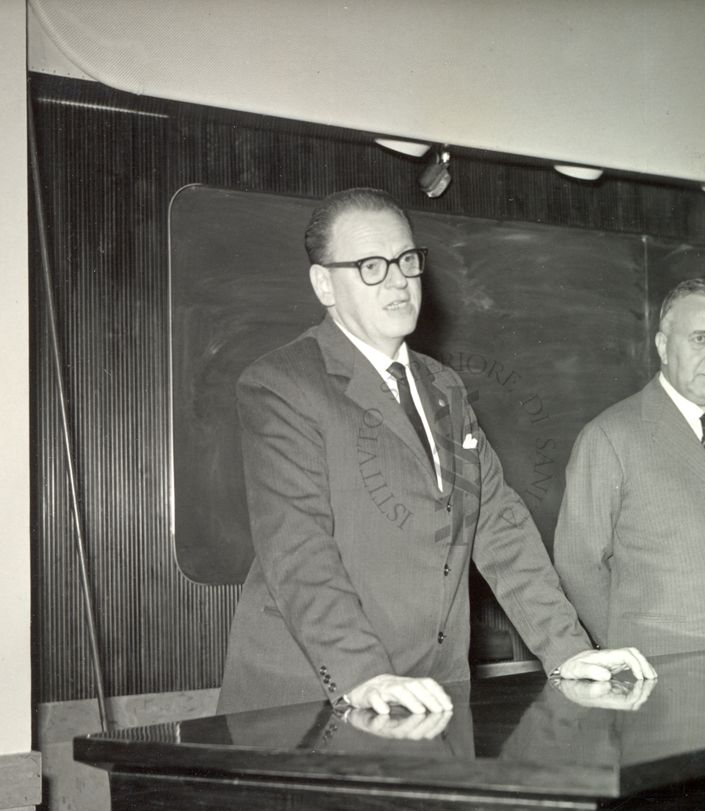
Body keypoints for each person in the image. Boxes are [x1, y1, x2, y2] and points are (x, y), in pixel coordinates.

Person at [217, 187, 654, 715]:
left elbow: (499, 525)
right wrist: (366, 678)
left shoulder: (443, 386)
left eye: (406, 260)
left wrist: (568, 651)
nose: (399, 279)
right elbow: (299, 549)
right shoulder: (282, 384)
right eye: (371, 266)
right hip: (312, 703)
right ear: (323, 284)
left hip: (435, 694)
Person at [554, 278, 705, 655]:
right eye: (700, 338)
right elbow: (578, 564)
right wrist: (626, 650)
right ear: (663, 346)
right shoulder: (610, 436)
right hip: (665, 678)